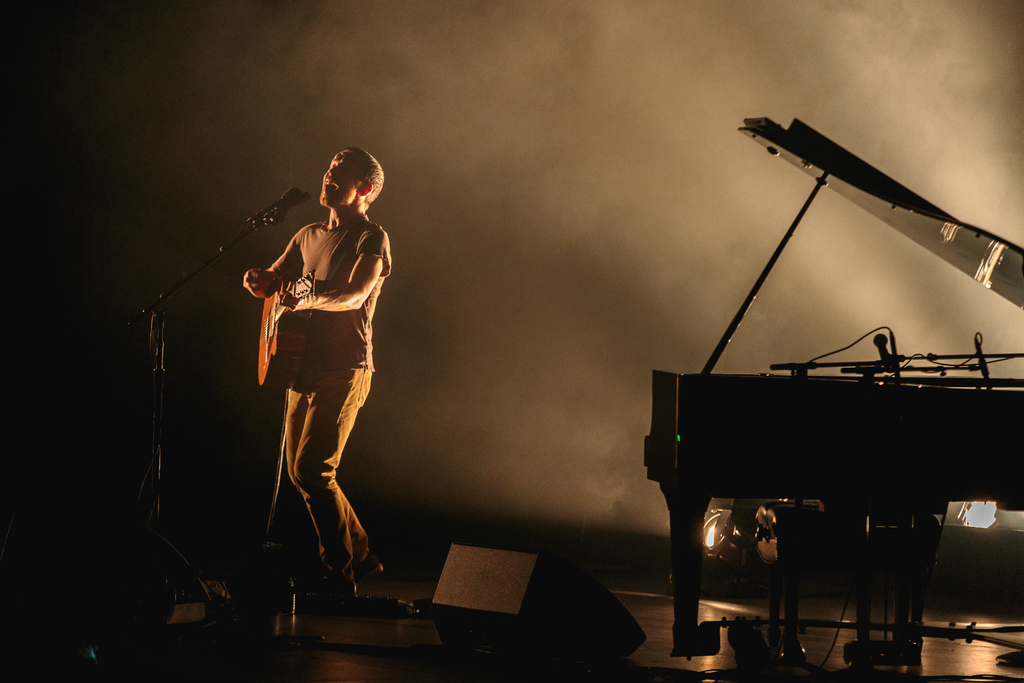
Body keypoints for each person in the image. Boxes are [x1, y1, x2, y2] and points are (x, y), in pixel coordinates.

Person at [243, 148, 390, 595]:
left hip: (345, 367)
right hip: (299, 365)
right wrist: (259, 281)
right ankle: (361, 555)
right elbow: (276, 281)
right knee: (301, 471)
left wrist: (302, 297)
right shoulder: (307, 234)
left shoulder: (371, 238)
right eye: (328, 168)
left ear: (364, 189)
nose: (328, 176)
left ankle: (339, 575)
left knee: (312, 470)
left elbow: (353, 294)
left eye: (339, 173)